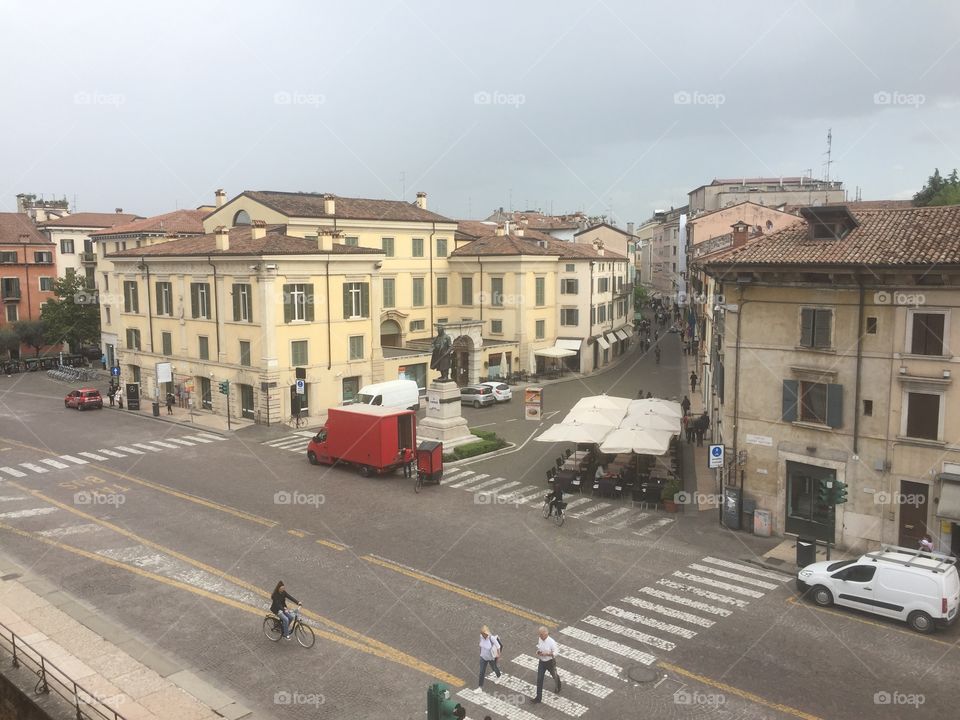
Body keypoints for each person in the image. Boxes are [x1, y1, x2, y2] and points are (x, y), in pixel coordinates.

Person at [531, 626, 561, 703]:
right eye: (539, 634)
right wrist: (538, 652)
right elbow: (539, 647)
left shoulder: (551, 642)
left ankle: (558, 684)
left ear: (546, 633)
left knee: (554, 675)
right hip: (542, 662)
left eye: (541, 634)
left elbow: (556, 653)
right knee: (539, 679)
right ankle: (538, 698)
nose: (540, 636)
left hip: (550, 662)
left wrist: (547, 654)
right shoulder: (540, 639)